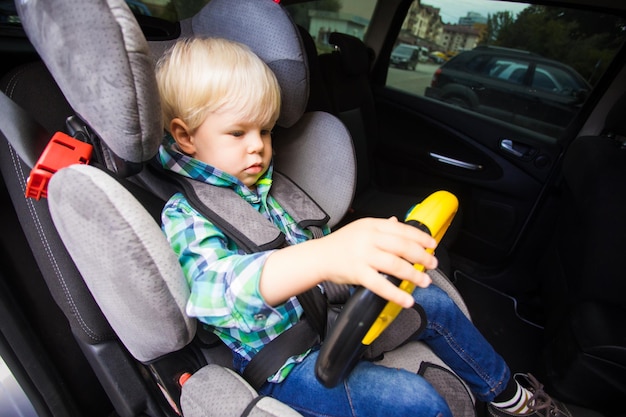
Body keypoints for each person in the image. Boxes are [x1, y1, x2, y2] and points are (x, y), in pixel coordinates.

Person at [155, 37, 573, 417]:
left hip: (333, 316)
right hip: (288, 363)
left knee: (433, 299)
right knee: (421, 403)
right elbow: (215, 293)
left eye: (264, 130)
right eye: (237, 132)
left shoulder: (264, 183)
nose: (258, 146)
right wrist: (323, 256)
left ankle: (511, 400)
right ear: (185, 136)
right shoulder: (187, 214)